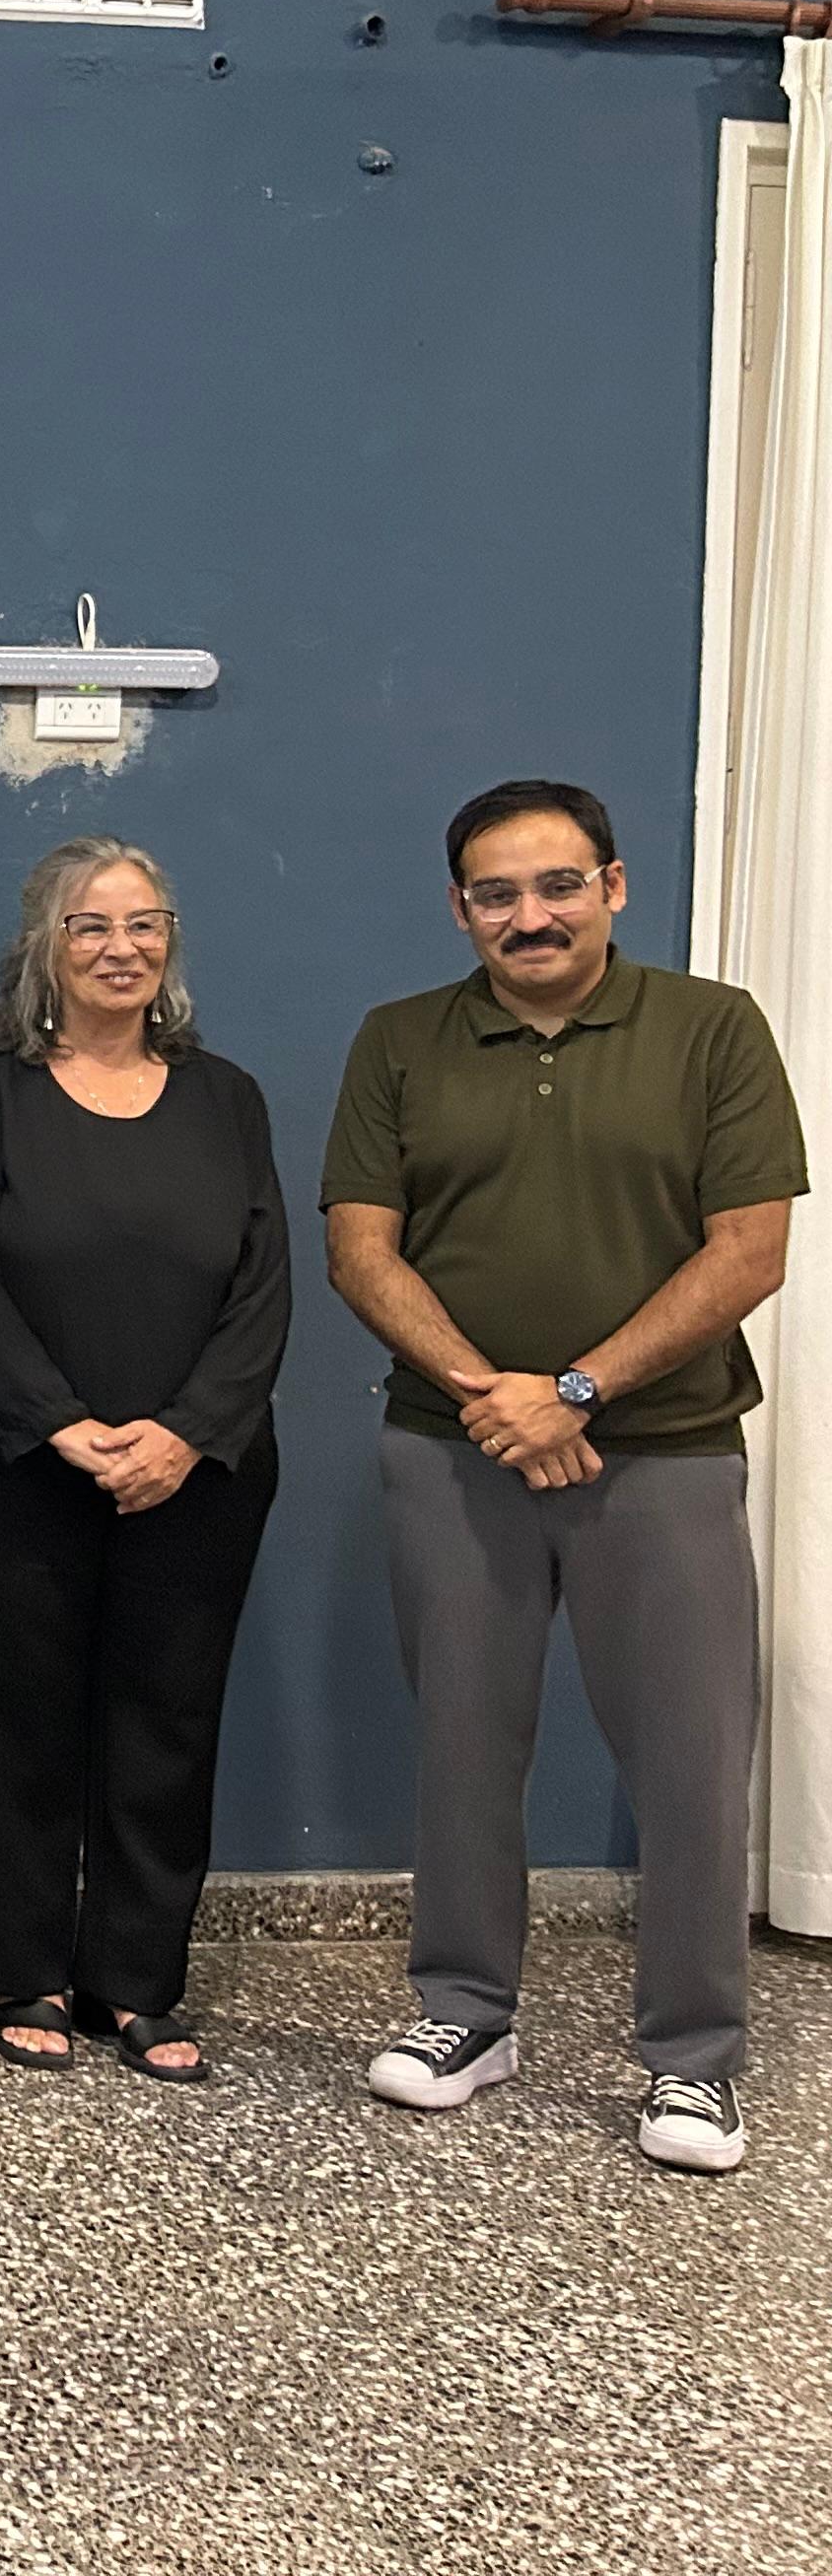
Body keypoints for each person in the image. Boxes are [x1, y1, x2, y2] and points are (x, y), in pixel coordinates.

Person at [324, 778, 801, 2175]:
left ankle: (694, 2061)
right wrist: (498, 1398)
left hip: (664, 1452)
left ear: (613, 887)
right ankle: (466, 2013)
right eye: (496, 894)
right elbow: (361, 1248)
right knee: (466, 1740)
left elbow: (749, 1251)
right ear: (459, 907)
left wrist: (577, 1391)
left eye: (556, 885)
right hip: (455, 1447)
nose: (528, 916)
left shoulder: (713, 1028)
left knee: (692, 1760)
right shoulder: (400, 1039)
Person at [0, 838, 288, 2083]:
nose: (121, 947)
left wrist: (184, 1434)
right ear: (46, 945)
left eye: (144, 923)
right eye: (91, 925)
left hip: (199, 1467)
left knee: (167, 1717)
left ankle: (137, 1978)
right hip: (11, 1458)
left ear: (169, 942)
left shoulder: (227, 1097)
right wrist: (59, 1422)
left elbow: (263, 1286)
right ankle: (23, 1965)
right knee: (15, 1713)